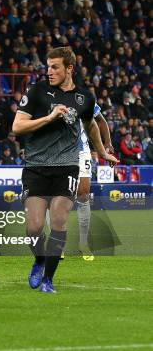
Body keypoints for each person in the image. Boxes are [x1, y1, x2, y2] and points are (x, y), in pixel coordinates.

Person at [12, 47, 118, 293]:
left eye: (55, 67)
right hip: (36, 166)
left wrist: (101, 151)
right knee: (34, 227)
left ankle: (48, 280)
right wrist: (49, 118)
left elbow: (91, 124)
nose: (49, 72)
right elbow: (18, 126)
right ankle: (39, 261)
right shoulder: (36, 91)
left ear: (69, 68)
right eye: (48, 67)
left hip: (67, 166)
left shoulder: (84, 97)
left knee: (59, 221)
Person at [74, 95, 112, 261]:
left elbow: (100, 120)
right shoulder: (47, 94)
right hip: (57, 152)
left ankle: (83, 243)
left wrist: (107, 143)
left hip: (82, 152)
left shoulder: (83, 97)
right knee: (58, 197)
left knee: (83, 196)